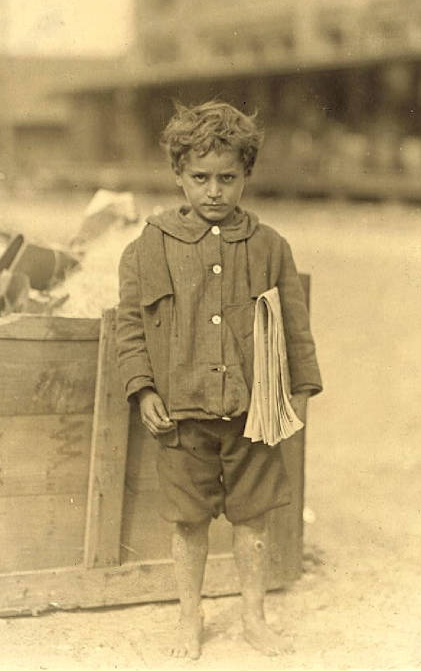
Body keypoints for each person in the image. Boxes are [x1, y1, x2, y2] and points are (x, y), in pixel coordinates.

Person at [116, 100, 322, 659]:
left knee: (252, 518)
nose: (214, 191)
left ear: (247, 175)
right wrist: (143, 388)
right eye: (200, 178)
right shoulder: (147, 247)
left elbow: (296, 328)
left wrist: (296, 393)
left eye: (228, 178)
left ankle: (253, 616)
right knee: (187, 521)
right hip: (181, 415)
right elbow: (131, 327)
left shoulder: (270, 246)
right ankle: (190, 618)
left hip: (252, 412)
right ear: (178, 175)